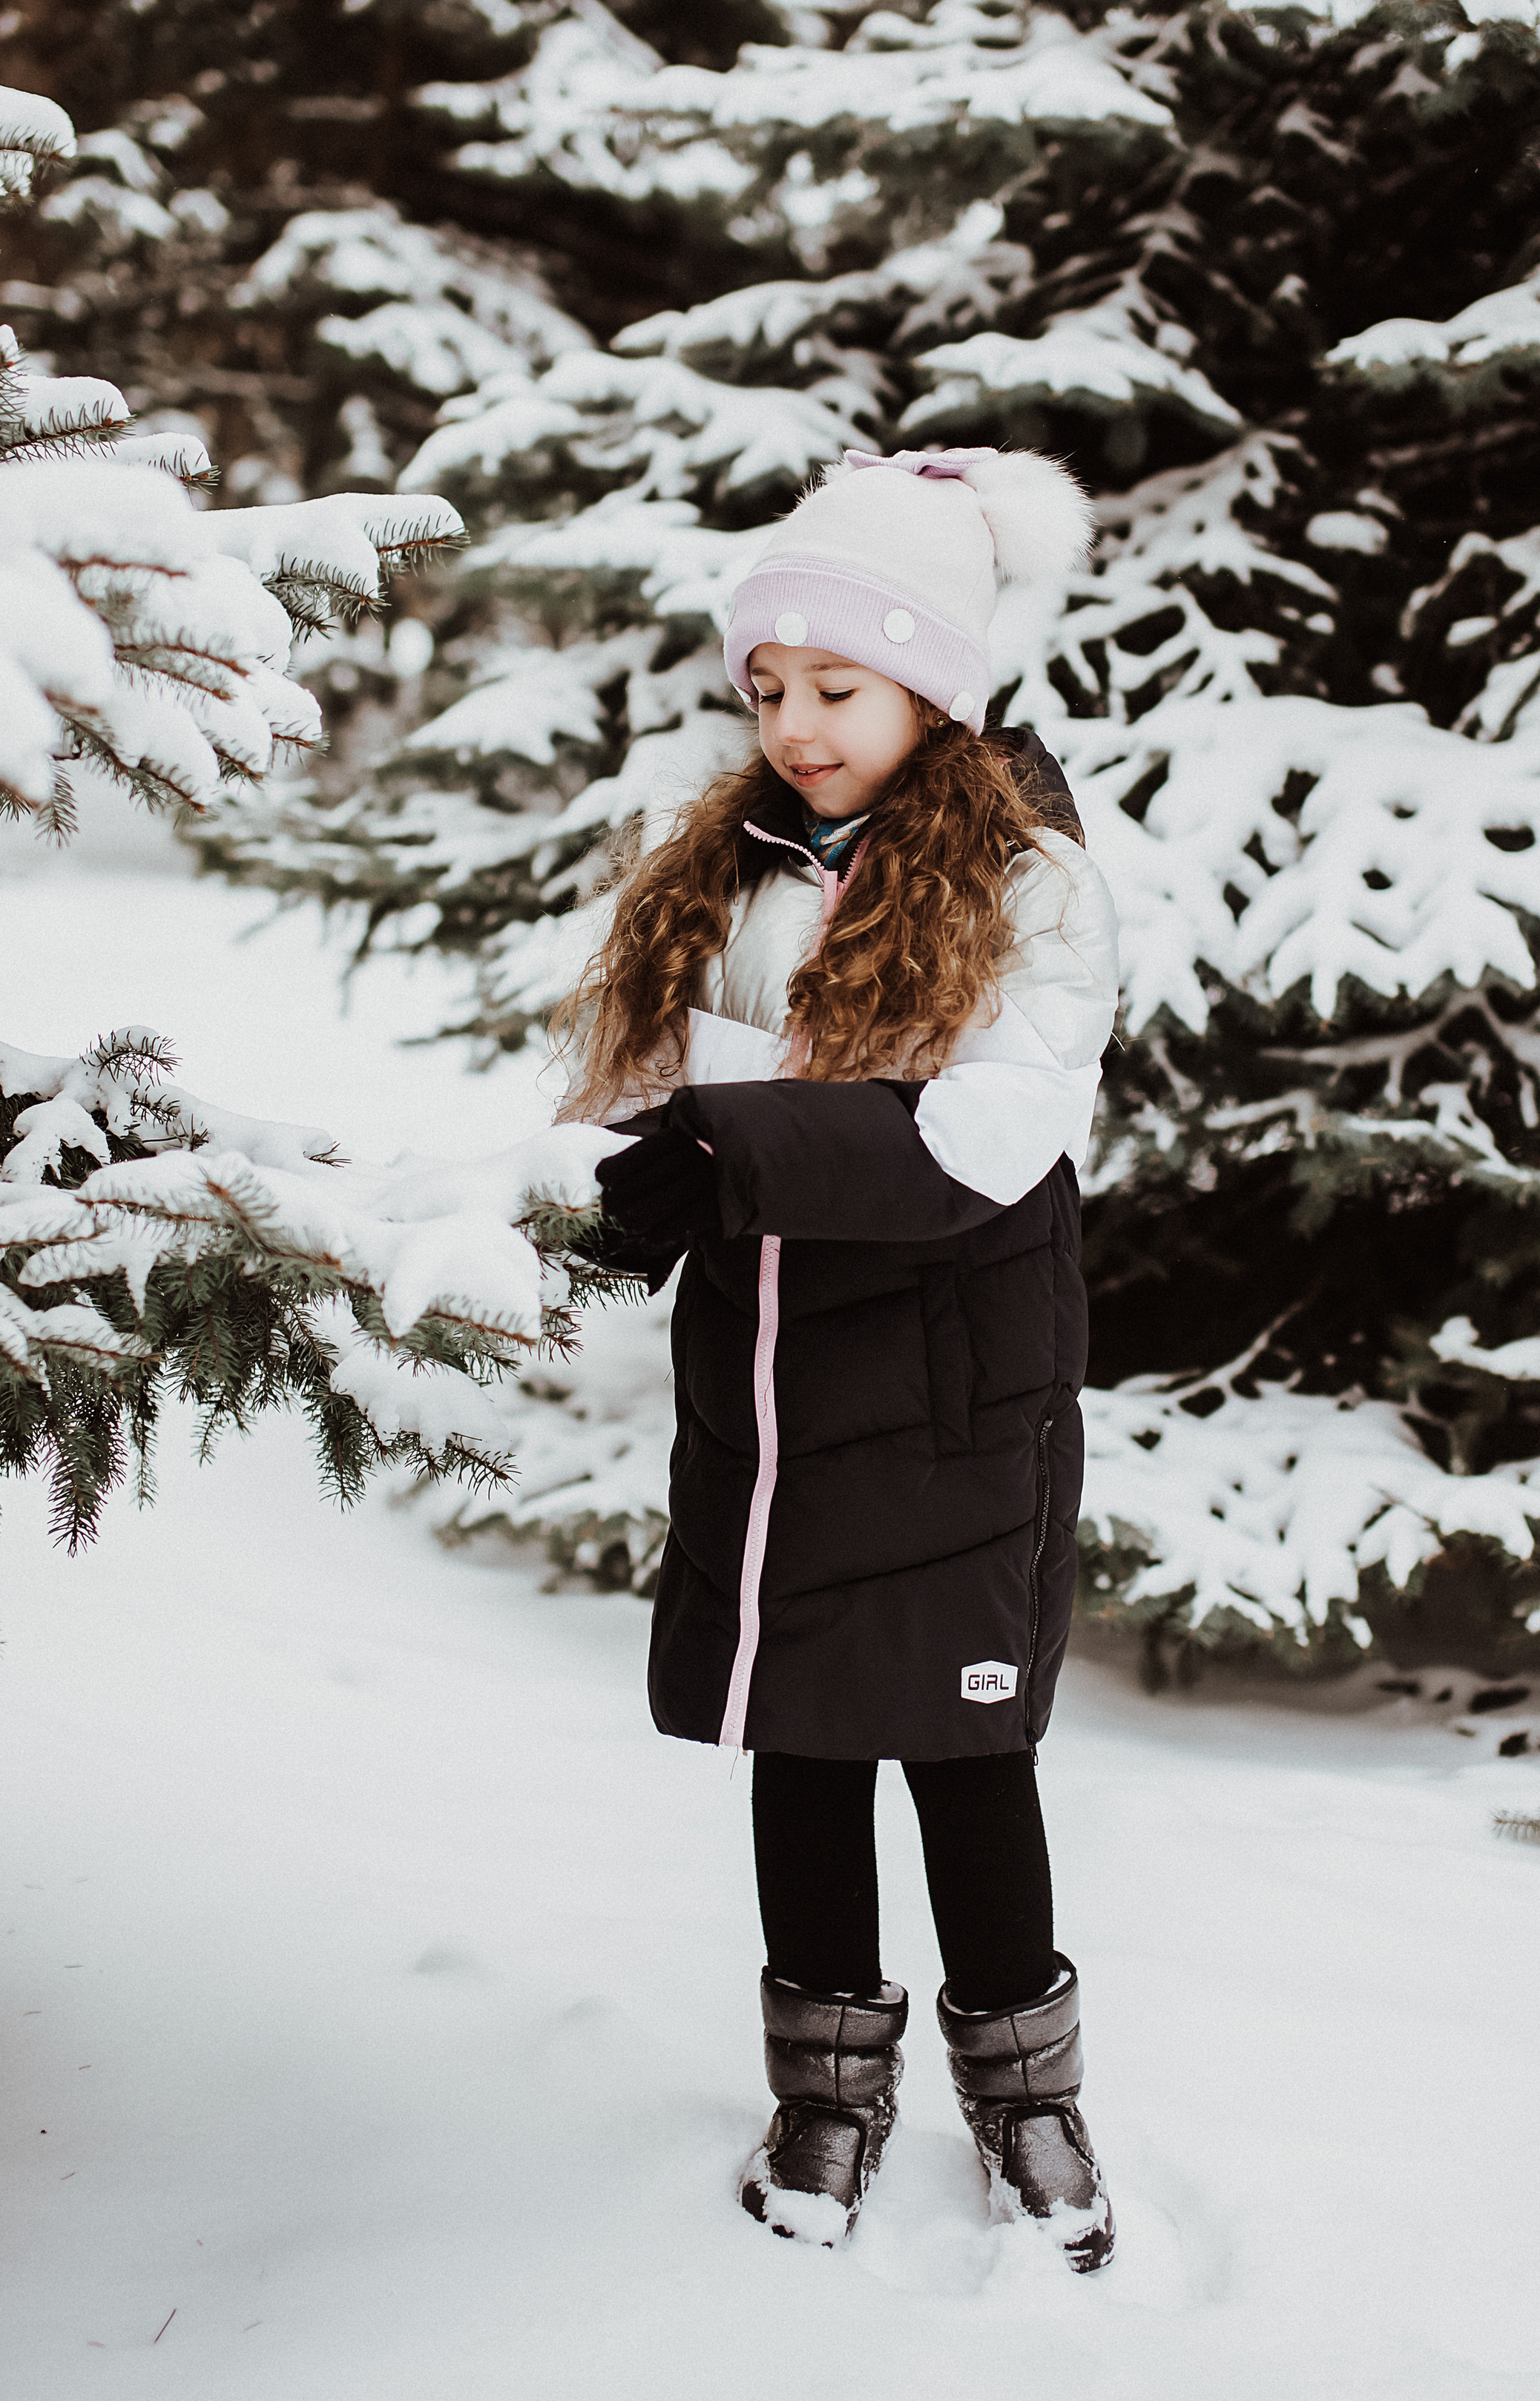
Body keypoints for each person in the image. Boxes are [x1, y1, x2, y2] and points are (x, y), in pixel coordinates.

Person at [558, 444, 1121, 2269]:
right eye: (769, 687)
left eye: (839, 686)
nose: (796, 722)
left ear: (932, 685)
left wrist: (730, 1145)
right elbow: (651, 1093)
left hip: (957, 1398)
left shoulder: (1027, 880)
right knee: (796, 1750)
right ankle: (822, 2082)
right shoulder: (713, 877)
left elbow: (980, 1141)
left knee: (966, 1760)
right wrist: (631, 1177)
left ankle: (1026, 2094)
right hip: (776, 1406)